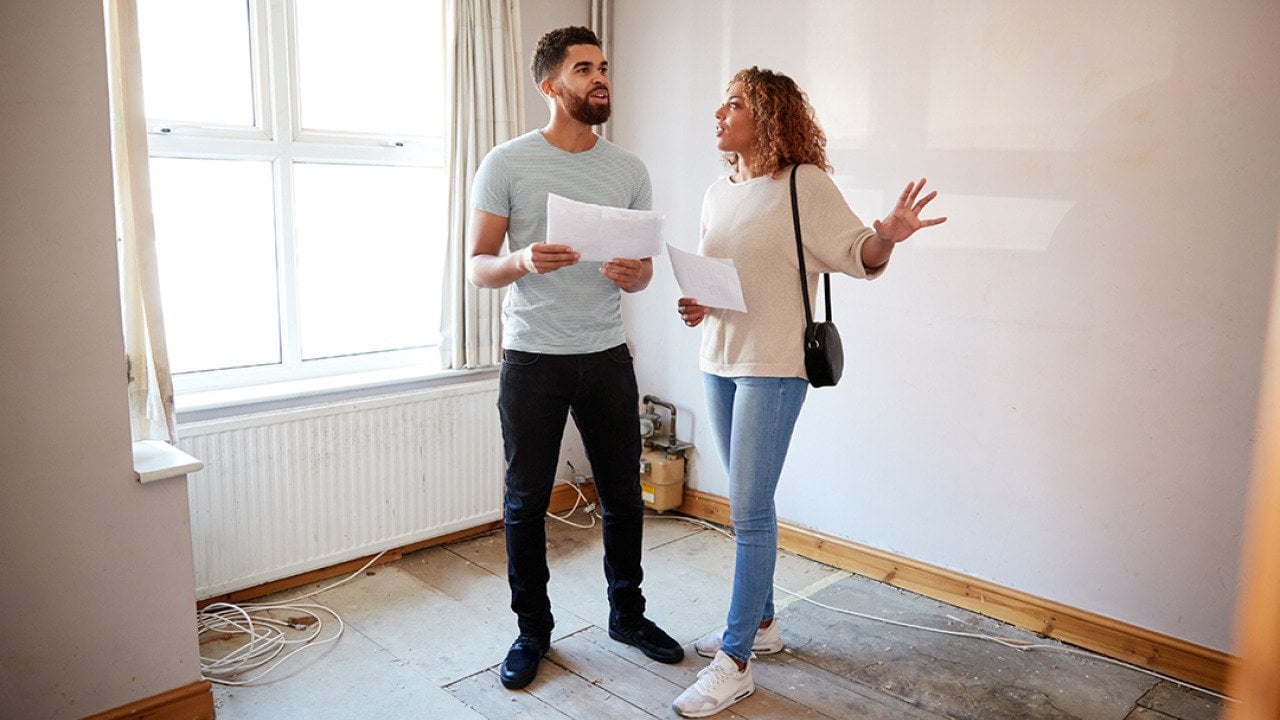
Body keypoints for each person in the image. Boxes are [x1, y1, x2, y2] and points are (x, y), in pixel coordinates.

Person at [671, 67, 946, 717]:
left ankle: (735, 660)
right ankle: (763, 626)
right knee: (747, 503)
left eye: (734, 104)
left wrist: (888, 235)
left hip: (774, 365)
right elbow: (727, 280)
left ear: (766, 117)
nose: (719, 113)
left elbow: (858, 252)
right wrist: (696, 305)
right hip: (718, 358)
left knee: (749, 509)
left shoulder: (804, 185)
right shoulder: (717, 192)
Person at [467, 26, 684, 691]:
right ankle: (532, 629)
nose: (600, 78)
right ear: (549, 85)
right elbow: (478, 267)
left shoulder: (629, 170)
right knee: (525, 501)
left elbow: (645, 270)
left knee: (623, 495)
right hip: (533, 359)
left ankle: (628, 615)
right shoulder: (506, 162)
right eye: (584, 68)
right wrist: (522, 260)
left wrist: (634, 276)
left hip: (607, 355)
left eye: (604, 67)